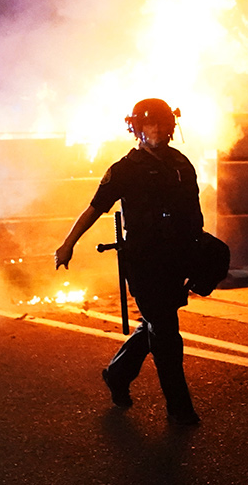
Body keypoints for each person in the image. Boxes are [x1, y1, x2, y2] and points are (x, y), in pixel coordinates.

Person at [55, 98, 203, 425]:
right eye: (150, 123)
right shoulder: (124, 169)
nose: (157, 130)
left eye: (162, 123)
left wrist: (199, 253)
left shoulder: (181, 164)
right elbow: (95, 208)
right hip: (144, 261)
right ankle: (179, 409)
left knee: (155, 323)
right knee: (166, 333)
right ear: (137, 128)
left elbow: (194, 214)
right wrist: (68, 244)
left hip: (175, 259)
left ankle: (118, 374)